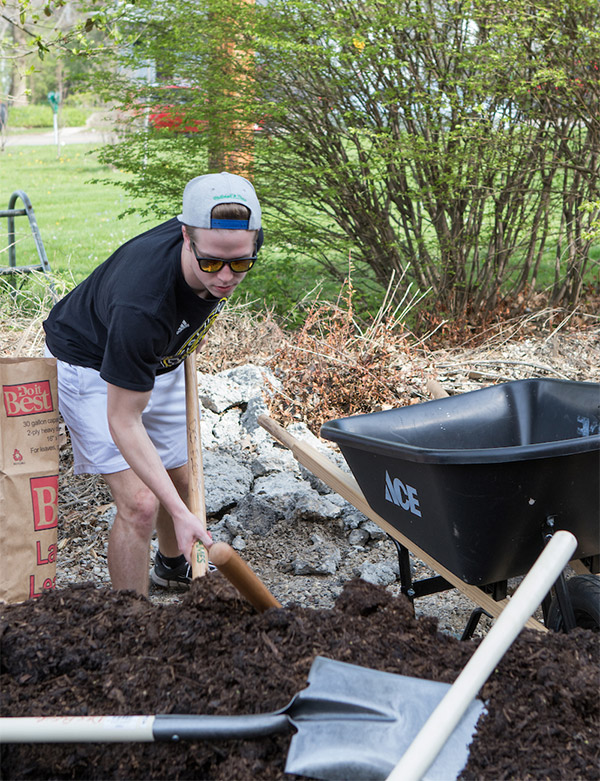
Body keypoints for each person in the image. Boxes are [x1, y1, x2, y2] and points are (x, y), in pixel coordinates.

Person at [44, 171, 263, 596]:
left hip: (159, 359)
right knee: (142, 503)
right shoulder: (141, 305)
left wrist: (180, 505)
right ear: (186, 236)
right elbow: (123, 421)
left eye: (240, 263)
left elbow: (222, 264)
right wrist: (182, 515)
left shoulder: (234, 237)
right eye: (211, 262)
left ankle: (171, 565)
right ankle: (132, 620)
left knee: (179, 480)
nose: (226, 276)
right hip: (93, 363)